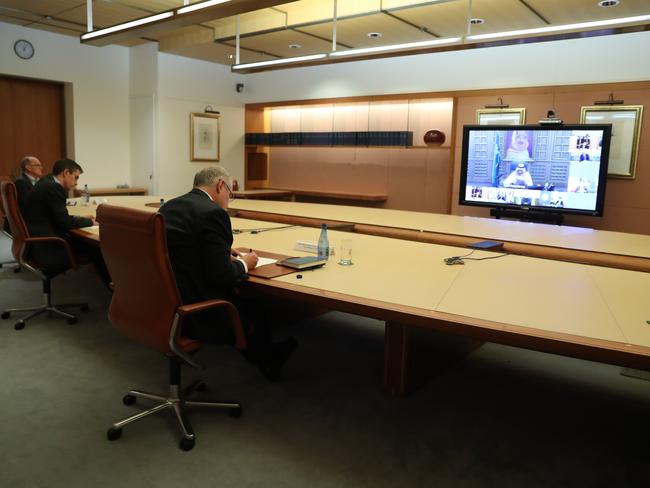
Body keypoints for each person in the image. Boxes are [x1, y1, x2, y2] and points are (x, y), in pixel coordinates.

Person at [159, 167, 296, 381]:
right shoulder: (213, 212)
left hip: (165, 302)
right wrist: (244, 263)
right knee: (255, 307)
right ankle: (268, 360)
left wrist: (220, 252)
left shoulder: (170, 206)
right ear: (221, 185)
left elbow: (184, 248)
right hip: (195, 310)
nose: (229, 201)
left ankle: (263, 356)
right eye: (230, 194)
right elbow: (222, 276)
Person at [22, 158, 109, 283]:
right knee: (95, 246)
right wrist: (91, 222)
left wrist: (81, 219)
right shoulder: (54, 188)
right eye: (76, 177)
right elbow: (65, 223)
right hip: (48, 246)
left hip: (36, 239)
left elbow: (57, 216)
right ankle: (113, 288)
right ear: (66, 173)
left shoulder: (46, 182)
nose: (77, 182)